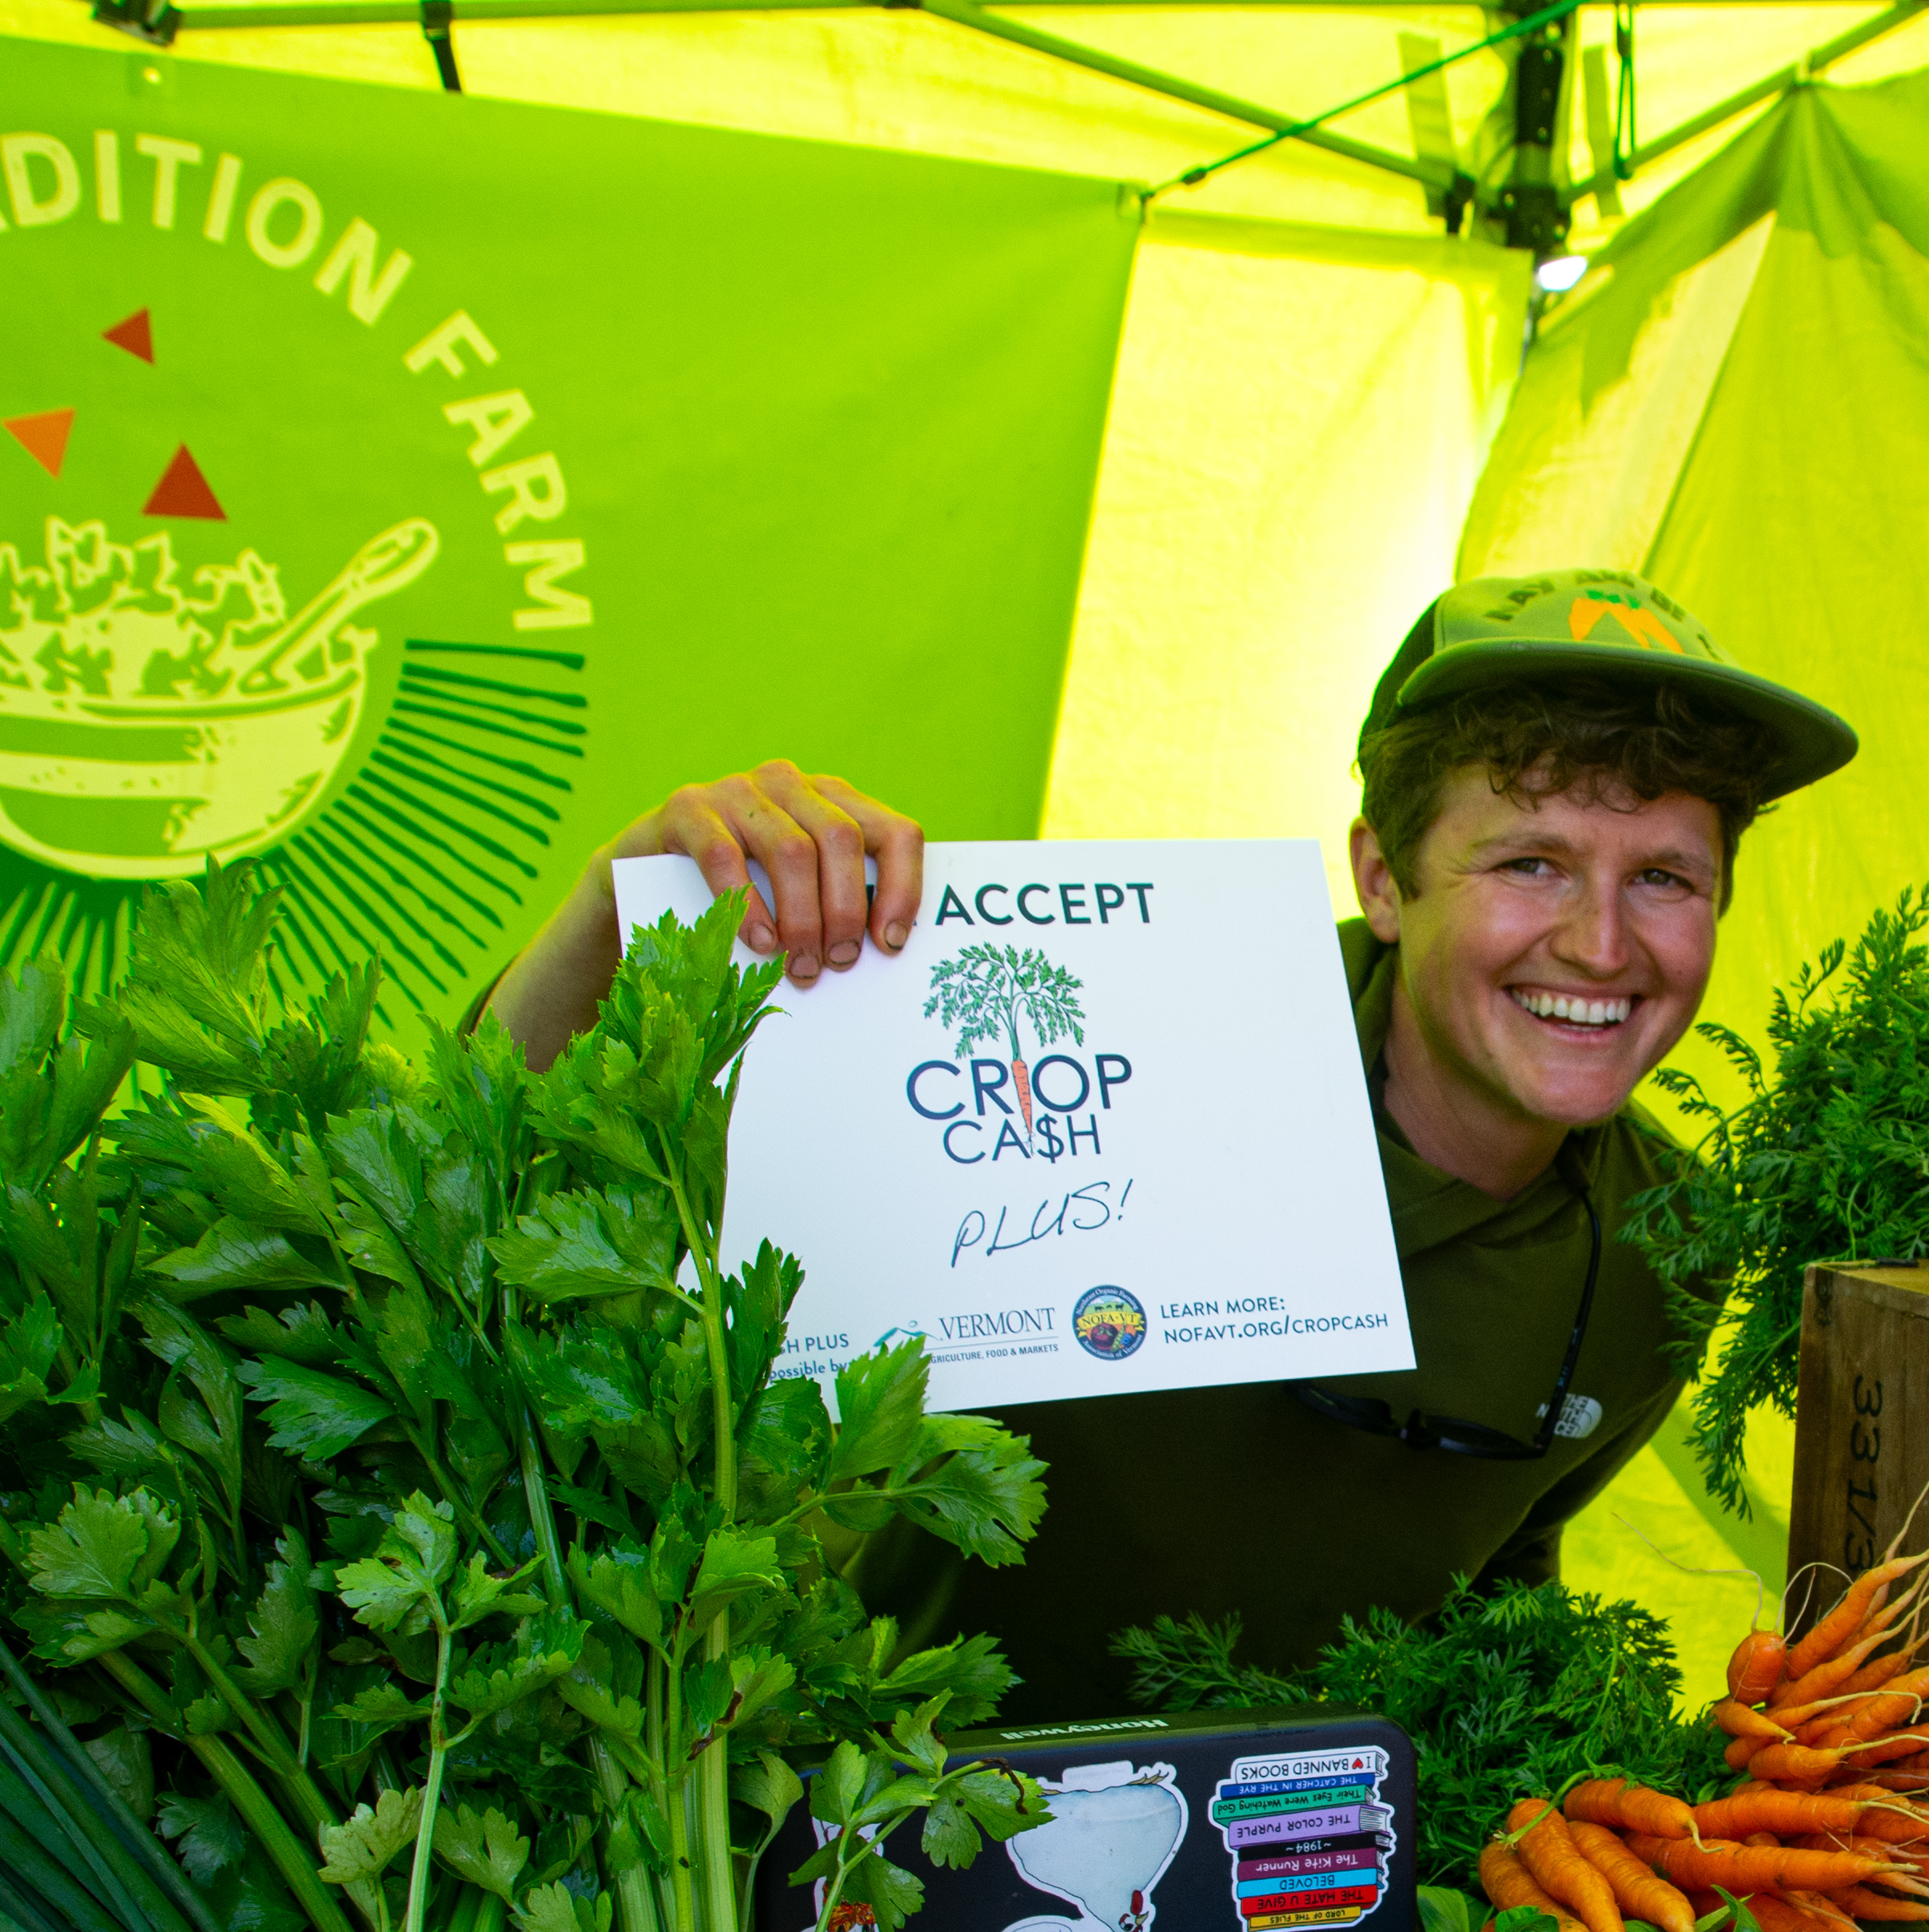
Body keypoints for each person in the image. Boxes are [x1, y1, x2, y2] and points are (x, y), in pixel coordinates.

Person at [485, 568, 1855, 1712]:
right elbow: (493, 1178)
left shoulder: (1668, 1250)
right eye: (1531, 863)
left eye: (1665, 879)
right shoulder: (1124, 1026)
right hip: (879, 1827)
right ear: (1385, 878)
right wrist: (621, 911)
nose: (1601, 946)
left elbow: (1500, 1574)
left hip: (1286, 1914)